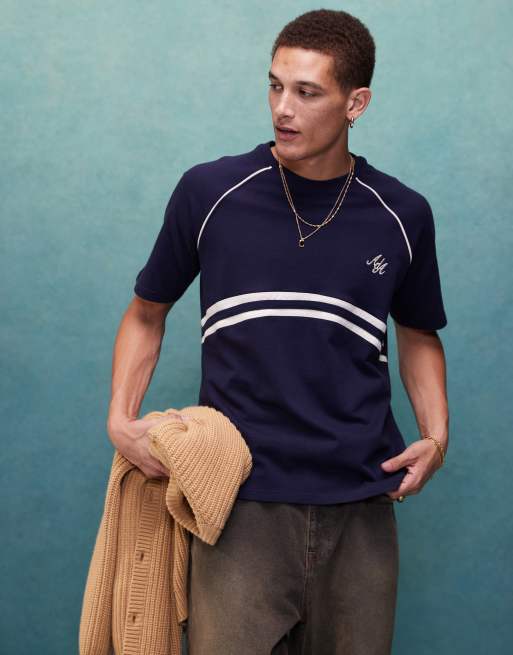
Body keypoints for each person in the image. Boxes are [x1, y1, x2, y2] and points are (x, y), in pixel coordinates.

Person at [107, 8, 449, 655]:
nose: (282, 109)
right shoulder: (209, 193)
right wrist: (120, 420)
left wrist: (436, 435)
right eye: (275, 86)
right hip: (237, 504)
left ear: (356, 103)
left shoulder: (401, 214)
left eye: (307, 92)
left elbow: (419, 333)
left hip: (360, 505)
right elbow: (146, 312)